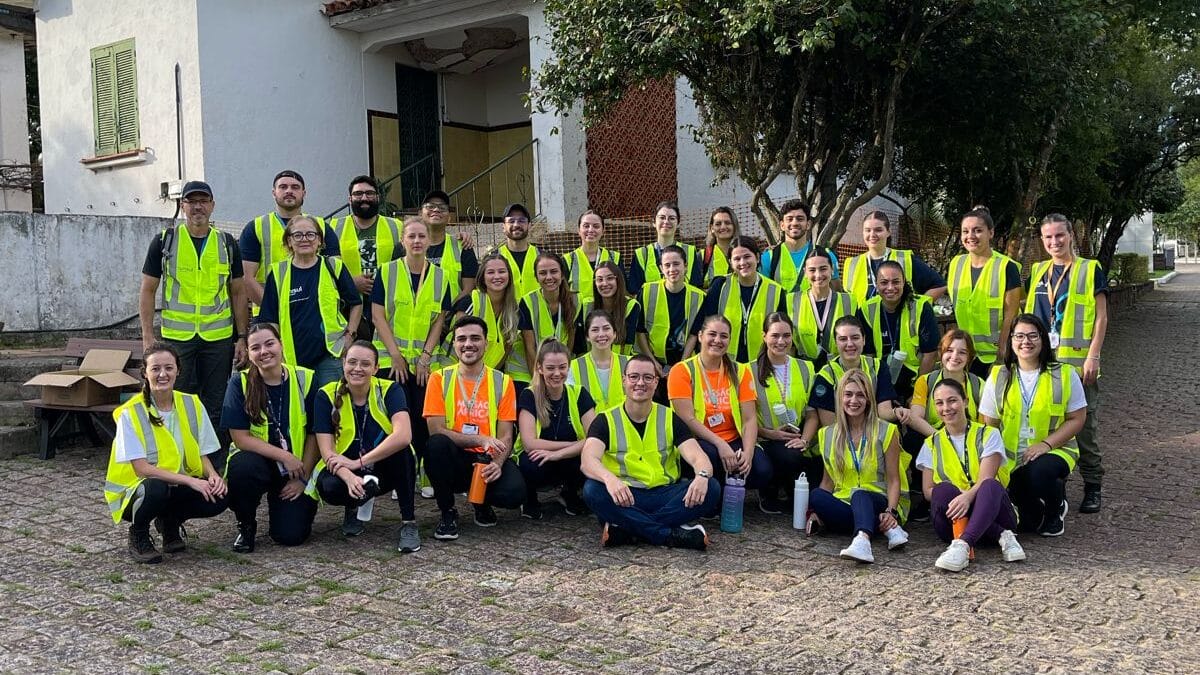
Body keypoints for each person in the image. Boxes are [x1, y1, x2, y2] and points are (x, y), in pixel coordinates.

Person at [139, 180, 248, 453]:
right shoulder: (165, 241)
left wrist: (242, 337)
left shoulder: (227, 244)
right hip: (177, 339)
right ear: (183, 205)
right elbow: (148, 290)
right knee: (177, 399)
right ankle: (181, 457)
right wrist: (148, 337)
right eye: (191, 201)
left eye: (203, 201)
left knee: (216, 402)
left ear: (212, 205)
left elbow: (238, 293)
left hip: (218, 338)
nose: (198, 206)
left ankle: (215, 460)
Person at [104, 343, 228, 564]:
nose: (163, 374)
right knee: (157, 488)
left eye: (169, 368)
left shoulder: (191, 403)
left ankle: (170, 523)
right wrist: (191, 481)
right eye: (156, 369)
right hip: (136, 491)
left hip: (176, 485)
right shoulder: (130, 412)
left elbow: (201, 452)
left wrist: (213, 476)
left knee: (220, 495)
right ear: (145, 373)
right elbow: (142, 469)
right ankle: (139, 534)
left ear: (178, 370)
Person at [581, 355, 720, 550]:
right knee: (592, 490)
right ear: (624, 380)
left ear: (656, 382)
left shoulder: (669, 417)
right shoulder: (605, 419)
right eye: (634, 377)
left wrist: (702, 476)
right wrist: (609, 479)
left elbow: (698, 457)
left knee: (711, 487)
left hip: (664, 494)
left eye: (647, 377)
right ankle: (669, 535)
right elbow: (588, 460)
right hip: (625, 494)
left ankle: (628, 529)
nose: (640, 383)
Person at [1026, 213, 1108, 513]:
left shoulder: (1089, 269)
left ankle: (1093, 484)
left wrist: (1093, 355)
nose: (1054, 242)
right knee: (1045, 425)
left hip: (1077, 366)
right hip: (1043, 365)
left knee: (1084, 428)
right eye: (1048, 237)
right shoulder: (1037, 271)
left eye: (1059, 235)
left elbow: (1101, 317)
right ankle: (1054, 484)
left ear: (1071, 235)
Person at [980, 314, 1086, 537]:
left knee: (1038, 473)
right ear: (1011, 340)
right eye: (1019, 336)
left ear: (1043, 339)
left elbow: (1077, 418)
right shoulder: (999, 376)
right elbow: (989, 424)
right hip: (1010, 458)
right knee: (1026, 524)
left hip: (1054, 450)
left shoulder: (1065, 374)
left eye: (1032, 336)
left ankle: (1055, 507)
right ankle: (1036, 506)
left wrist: (1045, 445)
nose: (1025, 342)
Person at [309, 341, 418, 551]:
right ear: (343, 363)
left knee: (403, 452)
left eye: (365, 364)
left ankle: (409, 522)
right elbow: (327, 452)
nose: (357, 368)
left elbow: (404, 435)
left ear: (376, 368)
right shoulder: (326, 395)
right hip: (344, 467)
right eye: (352, 362)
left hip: (381, 465)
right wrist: (350, 477)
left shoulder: (390, 389)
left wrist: (358, 462)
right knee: (330, 487)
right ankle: (354, 504)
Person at [423, 316, 525, 540]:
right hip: (455, 458)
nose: (468, 344)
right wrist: (480, 439)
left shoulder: (503, 381)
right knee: (435, 445)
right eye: (462, 339)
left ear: (486, 343)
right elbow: (436, 430)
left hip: (486, 459)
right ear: (454, 343)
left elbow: (506, 436)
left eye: (475, 338)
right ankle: (448, 512)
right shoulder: (439, 378)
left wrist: (498, 464)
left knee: (514, 493)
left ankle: (481, 502)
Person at [221, 323, 318, 552]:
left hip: (296, 469)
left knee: (290, 536)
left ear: (281, 345)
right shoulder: (239, 382)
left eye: (269, 344)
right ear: (249, 354)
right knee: (241, 468)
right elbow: (240, 438)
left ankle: (286, 508)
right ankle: (246, 524)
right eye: (256, 348)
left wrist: (303, 478)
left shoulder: (306, 378)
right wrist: (284, 456)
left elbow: (316, 434)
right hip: (260, 463)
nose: (264, 351)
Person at [917, 378, 1025, 572]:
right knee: (941, 490)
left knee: (990, 486)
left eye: (952, 400)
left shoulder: (989, 434)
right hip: (954, 521)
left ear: (965, 401)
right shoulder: (931, 443)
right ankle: (1002, 535)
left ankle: (963, 544)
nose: (946, 408)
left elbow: (986, 478)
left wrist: (967, 497)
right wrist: (959, 497)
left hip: (994, 512)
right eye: (939, 403)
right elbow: (927, 491)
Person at [371, 217, 454, 462]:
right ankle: (400, 471)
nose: (417, 241)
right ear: (402, 240)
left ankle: (423, 472)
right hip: (390, 360)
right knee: (395, 418)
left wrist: (425, 357)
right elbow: (377, 316)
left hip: (423, 364)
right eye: (411, 236)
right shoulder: (387, 271)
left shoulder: (441, 276)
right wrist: (396, 355)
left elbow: (439, 320)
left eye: (421, 236)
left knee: (422, 418)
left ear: (429, 241)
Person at [669, 315, 772, 510]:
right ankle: (710, 496)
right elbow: (687, 418)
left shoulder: (740, 370)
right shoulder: (682, 370)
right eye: (712, 334)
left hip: (733, 438)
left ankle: (727, 493)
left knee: (762, 470)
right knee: (711, 456)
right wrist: (721, 444)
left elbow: (749, 418)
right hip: (699, 440)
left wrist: (748, 453)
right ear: (700, 336)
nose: (717, 340)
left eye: (724, 336)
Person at [810, 369, 910, 563]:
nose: (853, 401)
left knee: (860, 495)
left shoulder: (887, 431)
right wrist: (814, 513)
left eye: (860, 395)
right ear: (840, 398)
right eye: (848, 394)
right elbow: (828, 482)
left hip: (880, 499)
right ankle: (882, 527)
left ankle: (863, 539)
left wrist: (891, 511)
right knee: (816, 496)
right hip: (847, 503)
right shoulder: (827, 434)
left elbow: (893, 479)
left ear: (869, 399)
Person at [257, 215, 362, 390]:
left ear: (319, 240)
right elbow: (270, 318)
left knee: (331, 403)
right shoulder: (278, 273)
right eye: (297, 235)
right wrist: (276, 352)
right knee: (299, 404)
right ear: (289, 241)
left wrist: (349, 336)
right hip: (292, 358)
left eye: (310, 234)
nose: (304, 239)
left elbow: (356, 303)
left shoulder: (334, 266)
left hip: (331, 356)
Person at [516, 339, 597, 519]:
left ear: (569, 367)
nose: (557, 373)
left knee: (591, 457)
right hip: (539, 458)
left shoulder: (579, 393)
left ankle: (569, 493)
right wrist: (571, 445)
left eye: (562, 367)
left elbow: (594, 438)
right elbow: (529, 443)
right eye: (550, 368)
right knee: (531, 462)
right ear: (540, 368)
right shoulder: (529, 395)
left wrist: (559, 454)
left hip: (566, 457)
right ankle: (529, 498)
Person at [240, 170, 340, 307]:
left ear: (304, 193)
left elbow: (335, 272)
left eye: (295, 187)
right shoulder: (256, 228)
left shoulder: (321, 227)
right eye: (283, 187)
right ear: (274, 192)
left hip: (314, 311)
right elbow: (246, 278)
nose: (289, 191)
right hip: (269, 311)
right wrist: (274, 310)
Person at [946, 206, 1023, 378]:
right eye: (965, 231)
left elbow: (1011, 316)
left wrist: (1002, 356)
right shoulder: (956, 264)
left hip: (996, 357)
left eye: (978, 230)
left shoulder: (1006, 267)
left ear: (991, 233)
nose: (971, 236)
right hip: (966, 354)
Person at [753, 313, 820, 507]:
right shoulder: (749, 370)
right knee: (788, 457)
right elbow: (744, 418)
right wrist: (770, 433)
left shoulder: (806, 367)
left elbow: (812, 414)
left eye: (786, 335)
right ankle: (770, 490)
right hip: (764, 439)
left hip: (796, 438)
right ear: (764, 336)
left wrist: (804, 440)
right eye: (775, 335)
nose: (781, 341)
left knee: (801, 461)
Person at [328, 175, 405, 341]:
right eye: (358, 194)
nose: (364, 198)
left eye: (369, 193)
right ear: (350, 199)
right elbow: (325, 270)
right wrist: (350, 284)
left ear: (378, 197)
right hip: (349, 308)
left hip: (389, 306)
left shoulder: (396, 226)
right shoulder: (334, 227)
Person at [688, 237, 785, 362]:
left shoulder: (776, 290)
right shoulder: (720, 285)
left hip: (762, 363)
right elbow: (700, 326)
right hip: (724, 362)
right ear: (730, 262)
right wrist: (684, 362)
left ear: (757, 257)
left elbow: (784, 332)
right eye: (737, 259)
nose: (742, 262)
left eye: (747, 256)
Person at [861, 260, 940, 401]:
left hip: (915, 381)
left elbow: (930, 354)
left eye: (896, 282)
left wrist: (918, 394)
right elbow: (868, 355)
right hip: (881, 382)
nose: (890, 287)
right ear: (876, 284)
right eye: (884, 282)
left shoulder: (921, 307)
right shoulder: (867, 309)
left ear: (904, 282)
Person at [452, 252, 527, 387]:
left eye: (502, 272)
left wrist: (487, 376)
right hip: (457, 375)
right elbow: (459, 343)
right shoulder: (471, 302)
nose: (497, 276)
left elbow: (506, 349)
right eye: (491, 272)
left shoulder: (514, 310)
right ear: (482, 277)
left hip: (486, 377)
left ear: (509, 276)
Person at [898, 330, 985, 444]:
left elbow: (984, 426)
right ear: (941, 353)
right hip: (935, 438)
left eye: (962, 352)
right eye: (949, 350)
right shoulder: (925, 381)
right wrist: (944, 439)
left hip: (970, 442)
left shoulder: (979, 385)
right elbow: (915, 418)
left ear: (970, 357)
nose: (954, 356)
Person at [843, 210, 946, 305]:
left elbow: (940, 285)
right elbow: (847, 299)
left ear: (888, 232)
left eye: (878, 230)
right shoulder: (852, 264)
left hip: (898, 319)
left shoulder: (904, 259)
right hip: (862, 319)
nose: (872, 234)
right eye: (868, 230)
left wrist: (917, 308)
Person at [812, 316, 898, 425]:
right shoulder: (826, 375)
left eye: (855, 338)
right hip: (840, 432)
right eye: (843, 339)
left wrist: (898, 412)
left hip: (874, 429)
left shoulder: (878, 367)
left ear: (864, 340)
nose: (850, 344)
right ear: (836, 342)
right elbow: (829, 425)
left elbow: (884, 413)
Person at [640, 245, 706, 375]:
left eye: (676, 264)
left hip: (686, 362)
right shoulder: (647, 291)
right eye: (667, 265)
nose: (672, 269)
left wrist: (682, 365)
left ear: (685, 266)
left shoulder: (699, 297)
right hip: (653, 362)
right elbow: (640, 331)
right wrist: (653, 362)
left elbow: (694, 334)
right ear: (661, 268)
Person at [787, 247, 855, 369]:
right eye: (812, 270)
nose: (818, 275)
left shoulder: (849, 301)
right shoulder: (791, 301)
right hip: (804, 369)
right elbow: (789, 344)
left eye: (823, 269)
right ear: (805, 272)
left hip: (840, 368)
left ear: (832, 270)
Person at [761, 199, 840, 293]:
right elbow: (763, 293)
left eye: (800, 219)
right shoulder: (768, 258)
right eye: (789, 219)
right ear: (782, 225)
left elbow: (836, 294)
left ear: (808, 224)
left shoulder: (827, 256)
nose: (794, 223)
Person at [576, 262, 651, 357]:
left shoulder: (631, 306)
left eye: (610, 278)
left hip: (623, 360)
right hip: (592, 360)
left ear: (618, 280)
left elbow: (628, 341)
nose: (604, 283)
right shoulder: (586, 305)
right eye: (599, 279)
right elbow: (580, 343)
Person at [519, 252, 579, 371]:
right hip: (533, 368)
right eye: (543, 273)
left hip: (561, 368)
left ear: (562, 274)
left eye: (554, 271)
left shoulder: (576, 300)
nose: (549, 277)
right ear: (536, 277)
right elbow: (530, 348)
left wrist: (562, 371)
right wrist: (540, 377)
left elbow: (571, 340)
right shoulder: (527, 302)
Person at [628, 201, 703, 294]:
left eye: (672, 218)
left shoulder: (689, 252)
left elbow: (696, 288)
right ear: (654, 222)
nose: (666, 222)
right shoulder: (642, 255)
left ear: (678, 223)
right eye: (662, 218)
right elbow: (635, 292)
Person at [415, 189, 477, 299]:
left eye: (442, 208)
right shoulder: (406, 247)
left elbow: (469, 288)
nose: (436, 210)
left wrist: (450, 308)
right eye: (430, 206)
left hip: (454, 309)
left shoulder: (463, 247)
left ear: (449, 218)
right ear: (420, 214)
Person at [570, 310, 631, 413]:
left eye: (606, 328)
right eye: (595, 330)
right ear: (587, 336)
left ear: (614, 333)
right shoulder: (573, 367)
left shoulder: (630, 364)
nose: (601, 334)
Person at [564, 210, 622, 302]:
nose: (591, 230)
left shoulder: (614, 258)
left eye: (596, 226)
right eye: (586, 226)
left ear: (603, 231)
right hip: (577, 311)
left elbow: (622, 291)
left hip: (608, 311)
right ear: (578, 230)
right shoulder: (567, 260)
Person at [493, 203, 540, 298]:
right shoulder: (493, 258)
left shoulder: (541, 256)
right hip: (507, 308)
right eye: (511, 221)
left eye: (521, 221)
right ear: (503, 227)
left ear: (529, 225)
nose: (516, 225)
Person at [702, 206, 739, 288]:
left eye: (727, 223)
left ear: (734, 225)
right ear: (712, 228)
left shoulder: (746, 253)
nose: (723, 227)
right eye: (718, 224)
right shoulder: (703, 256)